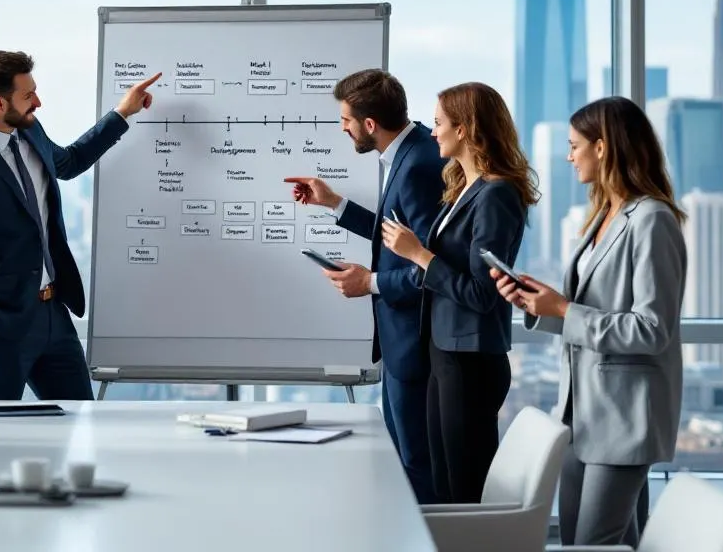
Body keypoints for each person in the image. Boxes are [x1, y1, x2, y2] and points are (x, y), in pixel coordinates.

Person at [492, 96, 685, 546]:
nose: (568, 156)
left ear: (602, 147)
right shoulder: (603, 216)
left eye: (574, 145)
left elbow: (652, 329)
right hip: (580, 413)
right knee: (589, 538)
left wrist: (563, 310)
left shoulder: (652, 220)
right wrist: (537, 304)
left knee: (593, 542)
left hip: (623, 414)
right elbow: (585, 308)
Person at [0, 51, 159, 400]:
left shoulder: (29, 130)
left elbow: (69, 162)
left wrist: (122, 113)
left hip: (53, 315)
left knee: (80, 419)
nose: (38, 102)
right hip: (1, 328)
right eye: (28, 95)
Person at [283, 69, 445, 504]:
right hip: (401, 344)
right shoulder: (410, 152)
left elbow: (429, 267)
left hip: (414, 344)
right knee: (406, 461)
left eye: (345, 120)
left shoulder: (418, 166)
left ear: (369, 124)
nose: (342, 128)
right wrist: (334, 204)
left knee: (415, 465)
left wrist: (370, 282)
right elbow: (395, 237)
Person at [379, 81, 537, 504]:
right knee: (445, 486)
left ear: (464, 129)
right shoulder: (463, 189)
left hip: (470, 361)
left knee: (465, 490)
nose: (433, 133)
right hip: (445, 354)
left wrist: (419, 255)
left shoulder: (496, 194)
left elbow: (482, 293)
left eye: (439, 124)